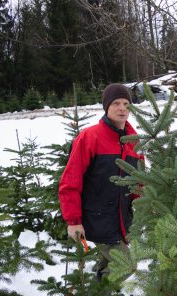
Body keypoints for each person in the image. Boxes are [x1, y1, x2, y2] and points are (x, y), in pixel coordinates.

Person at [58, 83, 143, 279]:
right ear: (106, 107)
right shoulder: (90, 137)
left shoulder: (134, 140)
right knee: (127, 264)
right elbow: (71, 180)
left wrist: (147, 203)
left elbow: (139, 180)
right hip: (97, 217)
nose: (122, 108)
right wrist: (73, 221)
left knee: (112, 262)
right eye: (116, 103)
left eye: (126, 103)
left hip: (122, 217)